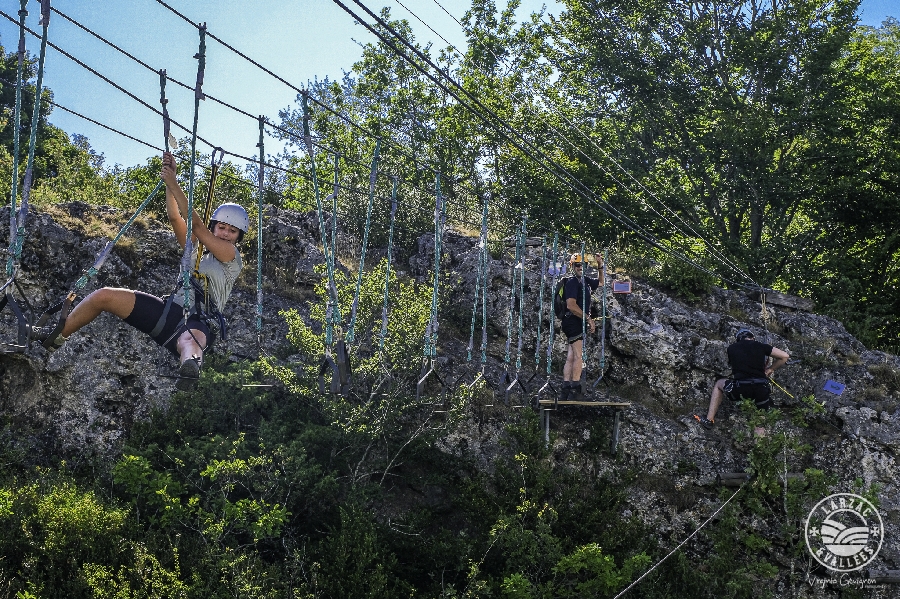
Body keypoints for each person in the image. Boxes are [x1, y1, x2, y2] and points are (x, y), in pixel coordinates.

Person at [30, 152, 246, 391]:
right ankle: (56, 336)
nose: (225, 233)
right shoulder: (195, 247)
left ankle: (190, 367)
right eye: (222, 227)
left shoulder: (231, 257)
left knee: (190, 339)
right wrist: (168, 183)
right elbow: (175, 217)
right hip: (169, 312)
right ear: (215, 226)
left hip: (199, 320)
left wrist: (174, 181)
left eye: (232, 231)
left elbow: (197, 225)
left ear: (238, 237)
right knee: (104, 296)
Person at [695, 328, 790, 435]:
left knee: (718, 384)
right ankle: (760, 448)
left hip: (741, 388)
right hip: (761, 388)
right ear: (752, 338)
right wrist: (770, 369)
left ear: (738, 339)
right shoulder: (761, 346)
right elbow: (784, 356)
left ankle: (709, 419)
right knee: (759, 424)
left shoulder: (732, 348)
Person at [558, 252, 603, 401]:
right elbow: (571, 305)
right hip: (573, 321)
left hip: (573, 322)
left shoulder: (584, 280)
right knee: (579, 356)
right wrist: (588, 319)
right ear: (572, 266)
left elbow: (601, 283)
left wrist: (600, 265)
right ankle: (575, 390)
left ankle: (565, 390)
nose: (580, 267)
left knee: (571, 356)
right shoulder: (572, 282)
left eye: (583, 265)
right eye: (577, 265)